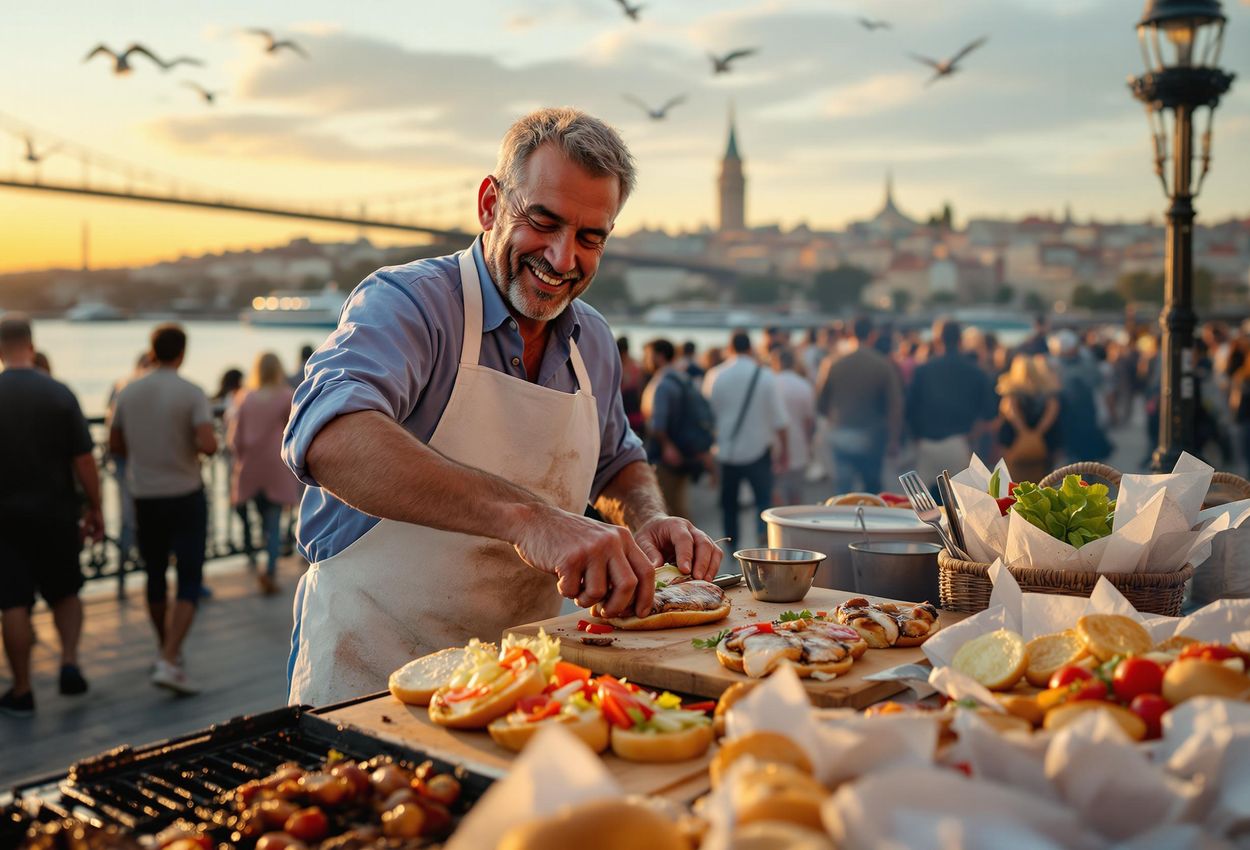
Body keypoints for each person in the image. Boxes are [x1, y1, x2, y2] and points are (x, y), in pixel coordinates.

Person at [281, 107, 721, 705]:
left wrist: (647, 521)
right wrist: (530, 518)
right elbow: (330, 436)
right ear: (490, 204)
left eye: (591, 238)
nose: (564, 259)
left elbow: (616, 462)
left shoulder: (592, 338)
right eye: (543, 222)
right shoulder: (409, 303)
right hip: (371, 675)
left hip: (523, 680)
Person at [0, 315, 103, 716]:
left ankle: (22, 690)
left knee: (12, 602)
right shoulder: (59, 392)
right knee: (65, 591)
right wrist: (95, 506)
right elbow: (84, 459)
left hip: (5, 519)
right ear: (31, 343)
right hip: (57, 512)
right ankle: (70, 663)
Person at [109, 324, 217, 695]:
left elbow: (115, 444)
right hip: (185, 493)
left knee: (154, 574)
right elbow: (208, 445)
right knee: (188, 577)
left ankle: (165, 650)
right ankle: (170, 658)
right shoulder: (192, 393)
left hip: (145, 495)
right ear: (182, 353)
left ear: (152, 350)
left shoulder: (127, 391)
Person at [703, 331, 789, 547]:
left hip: (727, 450)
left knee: (729, 504)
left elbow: (709, 414)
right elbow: (779, 420)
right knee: (763, 500)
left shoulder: (715, 375)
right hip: (759, 449)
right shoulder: (766, 375)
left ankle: (731, 546)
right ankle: (762, 543)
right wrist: (784, 451)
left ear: (730, 348)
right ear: (750, 348)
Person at [229, 353, 301, 595]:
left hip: (250, 465)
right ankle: (269, 571)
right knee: (273, 522)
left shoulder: (245, 397)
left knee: (256, 513)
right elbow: (295, 430)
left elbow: (235, 437)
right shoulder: (286, 396)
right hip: (275, 465)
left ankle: (251, 551)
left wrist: (240, 459)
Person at [815, 317, 903, 495]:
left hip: (841, 433)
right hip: (872, 435)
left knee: (843, 490)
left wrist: (836, 417)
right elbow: (895, 406)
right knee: (872, 490)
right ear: (872, 335)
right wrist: (894, 439)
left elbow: (820, 403)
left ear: (849, 334)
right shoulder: (882, 364)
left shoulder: (832, 363)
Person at [905, 319, 996, 486]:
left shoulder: (922, 371)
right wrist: (972, 438)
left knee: (928, 507)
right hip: (961, 443)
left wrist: (917, 438)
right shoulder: (976, 372)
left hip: (927, 444)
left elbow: (909, 409)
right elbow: (989, 415)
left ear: (937, 340)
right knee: (962, 505)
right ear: (961, 341)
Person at [641, 338, 713, 519]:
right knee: (678, 505)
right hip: (685, 448)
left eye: (648, 355)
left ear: (660, 356)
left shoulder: (662, 384)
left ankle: (687, 544)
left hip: (667, 455)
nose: (645, 360)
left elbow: (658, 423)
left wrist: (666, 446)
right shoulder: (682, 378)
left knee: (668, 509)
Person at [994, 354, 1061, 483]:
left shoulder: (1009, 399)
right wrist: (1036, 436)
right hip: (1043, 452)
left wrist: (1023, 434)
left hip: (1015, 451)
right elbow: (1056, 431)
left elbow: (1004, 432)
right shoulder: (1049, 399)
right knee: (1043, 487)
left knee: (1015, 490)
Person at [1050, 330, 1113, 464]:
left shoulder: (1084, 362)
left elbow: (1098, 384)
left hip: (1084, 416)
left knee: (1085, 456)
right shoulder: (1054, 364)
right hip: (1067, 417)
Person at [770, 347, 815, 505]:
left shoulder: (770, 384)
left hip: (773, 447)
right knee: (796, 494)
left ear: (775, 363)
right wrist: (809, 444)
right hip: (799, 445)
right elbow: (809, 421)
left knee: (776, 494)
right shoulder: (804, 385)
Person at [617, 336, 645, 437]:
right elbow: (640, 391)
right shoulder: (636, 366)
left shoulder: (615, 364)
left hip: (625, 412)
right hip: (633, 412)